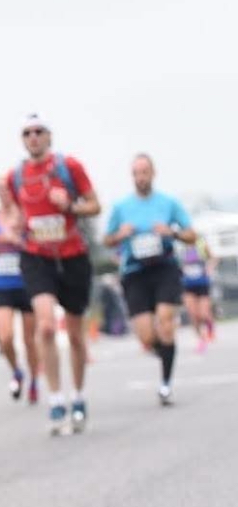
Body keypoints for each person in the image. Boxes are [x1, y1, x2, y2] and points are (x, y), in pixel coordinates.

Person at [3, 115, 100, 435]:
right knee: (45, 326)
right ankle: (56, 398)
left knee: (74, 334)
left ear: (49, 136)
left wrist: (69, 206)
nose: (33, 137)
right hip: (36, 257)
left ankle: (79, 396)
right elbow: (15, 214)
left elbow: (95, 205)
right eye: (27, 133)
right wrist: (15, 224)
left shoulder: (68, 167)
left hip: (72, 256)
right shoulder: (15, 176)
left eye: (38, 132)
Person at [103, 155, 195, 405]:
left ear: (153, 173)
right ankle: (167, 352)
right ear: (132, 176)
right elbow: (107, 239)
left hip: (164, 267)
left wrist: (171, 232)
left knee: (165, 321)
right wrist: (120, 235)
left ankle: (165, 384)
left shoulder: (168, 203)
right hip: (135, 272)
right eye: (136, 173)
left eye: (145, 172)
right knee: (146, 335)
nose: (141, 177)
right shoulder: (121, 207)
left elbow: (191, 234)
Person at [0, 185, 39, 403]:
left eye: (7, 189)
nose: (4, 194)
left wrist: (17, 240)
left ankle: (34, 380)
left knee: (29, 340)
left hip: (26, 283)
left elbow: (38, 243)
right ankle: (16, 371)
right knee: (5, 337)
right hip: (0, 285)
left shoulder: (26, 216)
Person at [178, 236, 215, 351]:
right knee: (193, 315)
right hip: (187, 285)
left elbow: (213, 258)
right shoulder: (179, 247)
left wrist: (209, 268)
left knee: (204, 314)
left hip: (202, 283)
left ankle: (210, 328)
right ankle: (201, 339)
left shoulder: (201, 245)